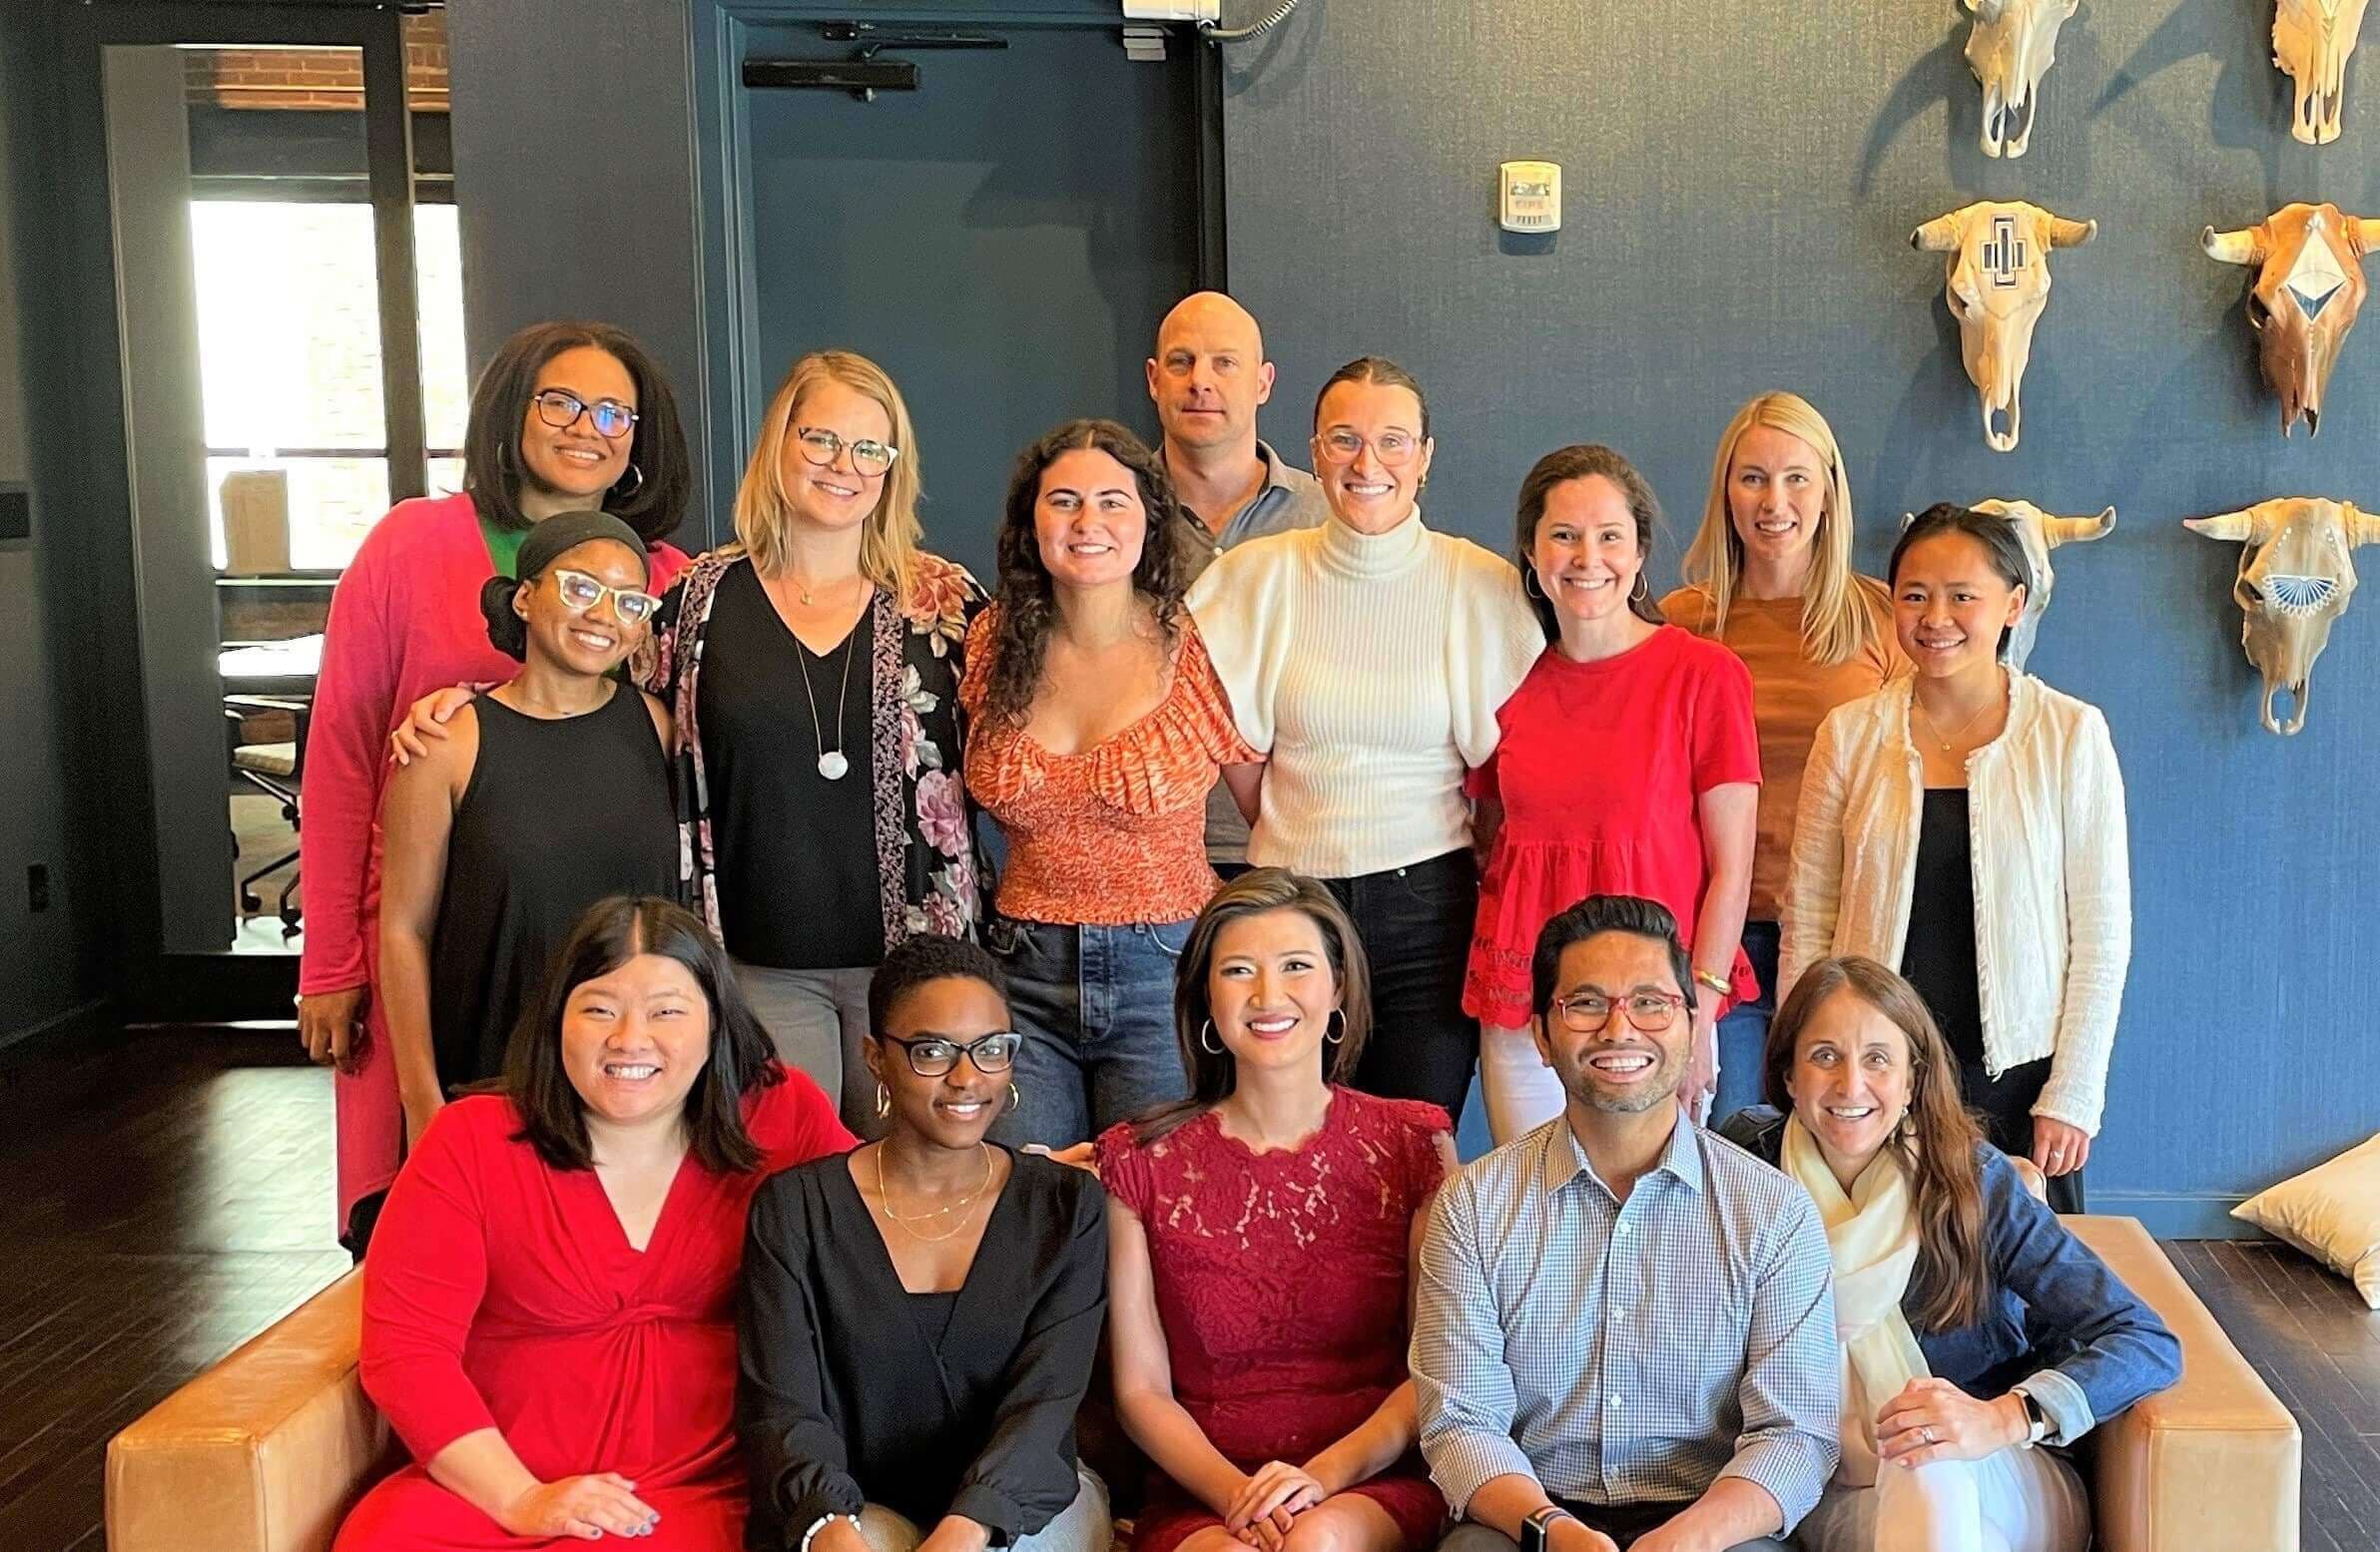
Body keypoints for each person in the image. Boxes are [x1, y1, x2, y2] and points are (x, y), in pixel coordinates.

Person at [395, 349, 984, 1138]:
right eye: (820, 440)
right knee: (787, 1192)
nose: (844, 465)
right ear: (779, 445)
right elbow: (585, 677)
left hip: (920, 971)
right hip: (756, 969)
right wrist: (465, 707)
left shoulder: (946, 603)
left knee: (921, 1180)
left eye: (869, 449)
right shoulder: (698, 600)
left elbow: (1028, 722)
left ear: (892, 466)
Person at [301, 318, 694, 1250]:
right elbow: (344, 758)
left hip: (601, 975)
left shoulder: (665, 580)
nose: (586, 426)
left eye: (614, 411)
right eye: (560, 400)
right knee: (425, 1225)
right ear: (514, 409)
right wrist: (331, 962)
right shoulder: (411, 544)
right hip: (437, 946)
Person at [332, 896, 854, 1552]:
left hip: (706, 1486)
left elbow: (886, 1223)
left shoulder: (781, 1115)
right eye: (600, 1008)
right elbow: (406, 1350)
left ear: (717, 1022)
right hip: (495, 1485)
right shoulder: (471, 1140)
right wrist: (520, 1497)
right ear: (558, 1021)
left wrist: (1004, 1185)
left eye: (667, 1010)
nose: (630, 1039)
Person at [1414, 894, 1839, 1552]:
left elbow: (1795, 1433)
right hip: (1530, 1515)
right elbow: (1461, 1422)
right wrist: (1553, 1532)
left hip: (1712, 1521)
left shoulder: (1773, 1210)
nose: (1619, 1029)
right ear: (1542, 1036)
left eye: (1650, 1001)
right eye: (1585, 1003)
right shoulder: (1475, 1204)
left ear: (1691, 1023)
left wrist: (1685, 1539)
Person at [1720, 955, 2179, 1552]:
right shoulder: (1743, 1169)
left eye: (1877, 1059)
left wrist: (2006, 1417)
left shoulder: (1972, 1180)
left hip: (1996, 1473)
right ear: (1788, 1075)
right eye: (1824, 1056)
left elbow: (2144, 1339)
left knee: (1923, 1453)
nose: (1850, 1085)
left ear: (1912, 1078)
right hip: (1825, 1485)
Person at [1190, 356, 1543, 1119]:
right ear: (1315, 450)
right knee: (1289, 1149)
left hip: (1430, 911)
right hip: (1288, 908)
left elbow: (1506, 773)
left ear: (1425, 457)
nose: (1367, 462)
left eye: (1392, 441)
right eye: (1344, 439)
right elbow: (1233, 744)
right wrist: (1292, 832)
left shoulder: (1477, 584)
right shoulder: (1257, 577)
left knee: (1417, 1146)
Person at [1097, 868, 1457, 1552]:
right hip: (1204, 1489)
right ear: (1206, 995)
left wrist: (1316, 1479)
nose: (1268, 995)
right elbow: (1140, 1391)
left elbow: (1435, 1365)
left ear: (1339, 986)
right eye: (1238, 970)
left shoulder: (1415, 1143)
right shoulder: (1139, 1159)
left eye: (1296, 965)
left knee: (1315, 1543)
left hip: (1367, 1478)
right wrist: (1240, 1495)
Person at [1783, 506, 2128, 1214]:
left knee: (2018, 1296)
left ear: (2013, 604)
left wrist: (2073, 1091)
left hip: (2016, 1076)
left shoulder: (2069, 733)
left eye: (1962, 595)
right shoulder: (1850, 734)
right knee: (1875, 1288)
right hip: (1871, 1072)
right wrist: (1803, 1056)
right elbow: (1810, 912)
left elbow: (2100, 934)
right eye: (1915, 594)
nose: (1936, 615)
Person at [740, 934, 1111, 1552]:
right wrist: (830, 1526)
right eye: (933, 1051)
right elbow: (781, 1407)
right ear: (875, 1058)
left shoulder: (1065, 1205)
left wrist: (966, 1531)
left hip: (1022, 1504)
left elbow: (1046, 1404)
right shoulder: (795, 1208)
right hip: (853, 1503)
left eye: (992, 1050)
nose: (968, 1078)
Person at [962, 419, 1257, 1149]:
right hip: (1021, 969)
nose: (1088, 521)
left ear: (1148, 519)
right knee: (1032, 1200)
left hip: (1165, 971)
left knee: (1153, 1205)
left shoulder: (1201, 644)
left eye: (1112, 502)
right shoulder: (991, 643)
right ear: (1031, 521)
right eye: (1063, 500)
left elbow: (1271, 817)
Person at [1468, 445, 1759, 1143]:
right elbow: (1489, 833)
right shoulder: (1507, 677)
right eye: (1563, 535)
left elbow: (1732, 867)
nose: (1586, 556)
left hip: (1662, 1003)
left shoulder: (1702, 674)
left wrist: (1699, 1011)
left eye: (1609, 536)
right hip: (1529, 1006)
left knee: (1662, 1228)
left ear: (1637, 553)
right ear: (1532, 553)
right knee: (1540, 1218)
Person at [377, 512, 678, 1150]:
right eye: (579, 589)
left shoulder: (656, 725)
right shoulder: (446, 743)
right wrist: (420, 1099)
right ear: (525, 596)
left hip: (635, 1083)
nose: (603, 614)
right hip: (490, 1080)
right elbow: (404, 930)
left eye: (629, 601)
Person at [1660, 393, 1901, 1125]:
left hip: (1838, 935)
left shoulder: (1885, 619)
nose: (1775, 501)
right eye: (1754, 478)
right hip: (1711, 942)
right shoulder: (1678, 624)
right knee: (1729, 1147)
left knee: (1834, 1151)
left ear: (1828, 490)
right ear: (1725, 491)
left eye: (1796, 478)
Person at [1143, 291, 1331, 877]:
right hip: (1149, 852)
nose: (1201, 381)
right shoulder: (1113, 519)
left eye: (1225, 363)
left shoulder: (1326, 516)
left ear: (1263, 382)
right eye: (1181, 362)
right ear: (1154, 380)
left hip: (1298, 847)